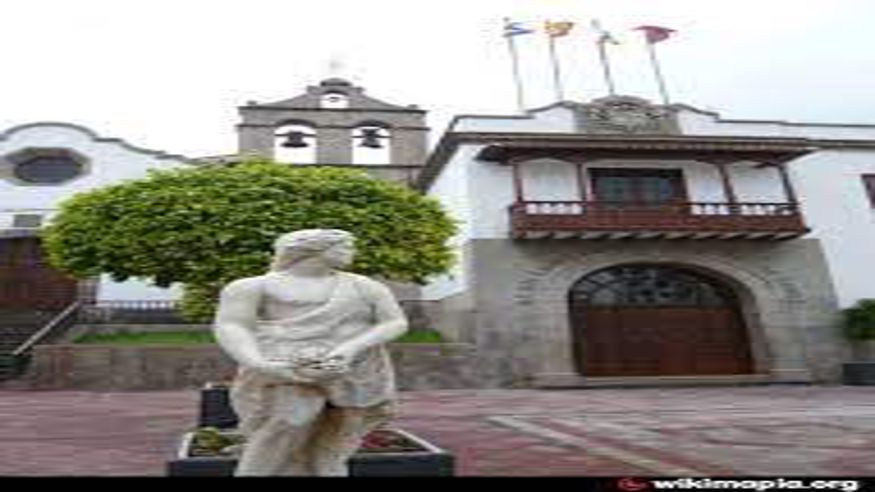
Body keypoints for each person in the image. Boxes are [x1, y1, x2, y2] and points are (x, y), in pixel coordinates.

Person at [212, 229, 408, 476]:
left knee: (341, 431)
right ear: (315, 249)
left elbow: (394, 322)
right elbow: (233, 325)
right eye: (345, 247)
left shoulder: (364, 286)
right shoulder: (253, 286)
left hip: (355, 369)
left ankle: (327, 471)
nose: (352, 253)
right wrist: (258, 362)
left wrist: (350, 348)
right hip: (287, 366)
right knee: (289, 421)